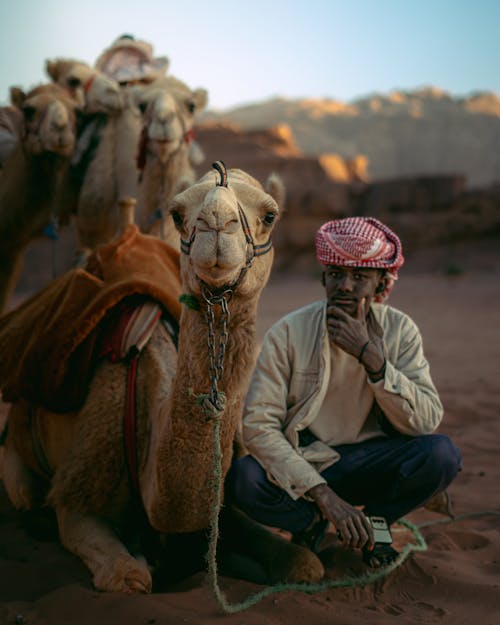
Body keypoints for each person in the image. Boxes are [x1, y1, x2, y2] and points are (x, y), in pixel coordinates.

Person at [227, 216, 462, 567]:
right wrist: (323, 496)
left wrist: (372, 358)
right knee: (244, 480)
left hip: (374, 462)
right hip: (311, 465)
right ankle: (310, 523)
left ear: (380, 283)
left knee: (442, 455)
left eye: (359, 277)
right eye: (336, 275)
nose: (346, 287)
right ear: (324, 279)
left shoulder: (401, 331)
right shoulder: (288, 333)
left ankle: (377, 524)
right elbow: (259, 427)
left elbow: (426, 419)